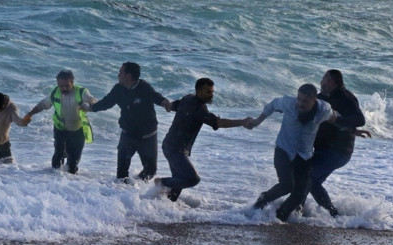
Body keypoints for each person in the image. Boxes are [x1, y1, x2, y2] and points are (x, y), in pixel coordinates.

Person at [247, 83, 338, 222]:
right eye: (299, 99)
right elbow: (271, 105)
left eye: (305, 101)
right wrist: (257, 121)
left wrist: (352, 130)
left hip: (304, 155)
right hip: (283, 150)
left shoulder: (323, 109)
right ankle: (263, 199)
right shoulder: (288, 103)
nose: (300, 104)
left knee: (300, 194)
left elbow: (335, 117)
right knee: (287, 185)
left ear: (314, 100)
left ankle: (279, 218)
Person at [155, 78, 252, 202]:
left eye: (212, 92)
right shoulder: (200, 109)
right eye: (208, 92)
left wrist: (167, 105)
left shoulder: (188, 98)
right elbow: (218, 122)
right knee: (192, 179)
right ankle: (161, 182)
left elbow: (174, 105)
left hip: (170, 145)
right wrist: (242, 122)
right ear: (199, 91)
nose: (211, 95)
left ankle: (163, 207)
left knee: (179, 181)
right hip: (176, 149)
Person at [84, 62, 172, 181]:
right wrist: (90, 108)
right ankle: (122, 192)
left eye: (120, 72)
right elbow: (106, 102)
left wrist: (165, 102)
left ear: (128, 76)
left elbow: (155, 96)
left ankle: (136, 188)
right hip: (128, 135)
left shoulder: (144, 87)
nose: (118, 75)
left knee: (150, 170)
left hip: (147, 136)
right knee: (121, 174)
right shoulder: (118, 89)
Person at [307, 69, 370, 217]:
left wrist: (337, 121)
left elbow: (360, 119)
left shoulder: (346, 97)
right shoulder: (324, 96)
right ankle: (333, 214)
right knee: (311, 181)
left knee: (308, 178)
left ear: (330, 81)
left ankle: (301, 211)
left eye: (323, 79)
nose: (321, 81)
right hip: (325, 148)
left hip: (338, 150)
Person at [26, 69, 95, 174]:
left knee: (72, 165)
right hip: (60, 129)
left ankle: (71, 185)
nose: (63, 88)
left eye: (67, 85)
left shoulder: (81, 92)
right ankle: (54, 182)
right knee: (57, 158)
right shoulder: (55, 92)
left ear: (72, 82)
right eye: (61, 86)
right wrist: (30, 113)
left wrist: (88, 105)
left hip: (77, 130)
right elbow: (43, 104)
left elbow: (93, 100)